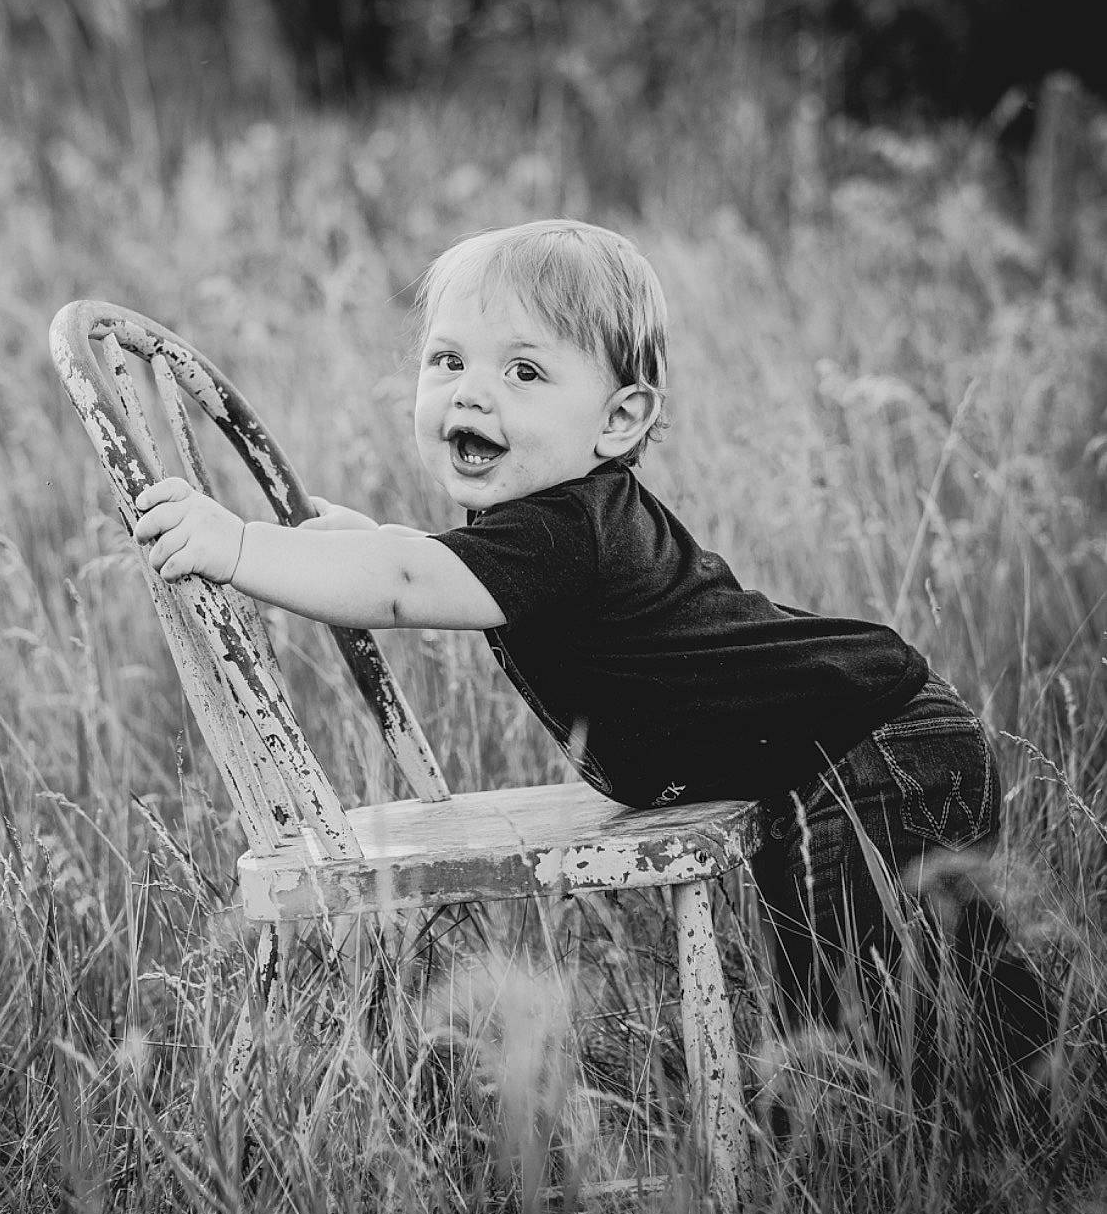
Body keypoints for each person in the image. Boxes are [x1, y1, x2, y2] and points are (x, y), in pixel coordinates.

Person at [135, 217, 1052, 1072]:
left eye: (524, 372)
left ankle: (896, 1129)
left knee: (852, 996)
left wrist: (240, 545)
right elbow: (422, 564)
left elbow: (405, 583)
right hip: (860, 741)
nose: (471, 390)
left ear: (617, 420)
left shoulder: (566, 530)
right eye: (447, 360)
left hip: (873, 754)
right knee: (932, 973)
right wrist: (365, 539)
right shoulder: (552, 524)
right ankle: (1025, 1095)